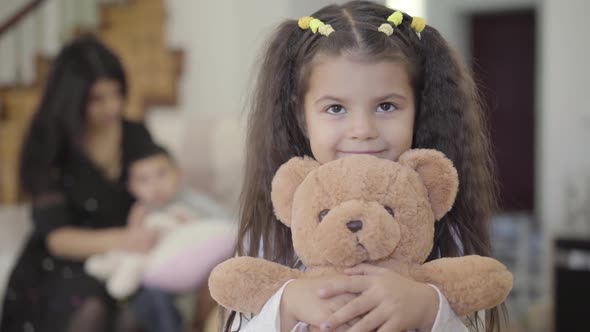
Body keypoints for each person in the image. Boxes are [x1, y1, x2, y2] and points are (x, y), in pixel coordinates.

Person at [224, 1, 505, 331]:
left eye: (386, 106)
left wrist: (430, 309)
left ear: (419, 110)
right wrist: (286, 306)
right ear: (301, 116)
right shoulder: (270, 235)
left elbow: (475, 315)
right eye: (335, 108)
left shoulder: (446, 232)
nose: (362, 130)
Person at [0, 34, 174, 332]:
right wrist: (126, 239)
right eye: (98, 98)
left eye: (117, 94)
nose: (112, 107)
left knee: (136, 315)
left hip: (121, 260)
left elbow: (167, 179)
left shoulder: (134, 134)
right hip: (59, 265)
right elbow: (57, 238)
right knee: (91, 311)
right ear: (72, 99)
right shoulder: (48, 144)